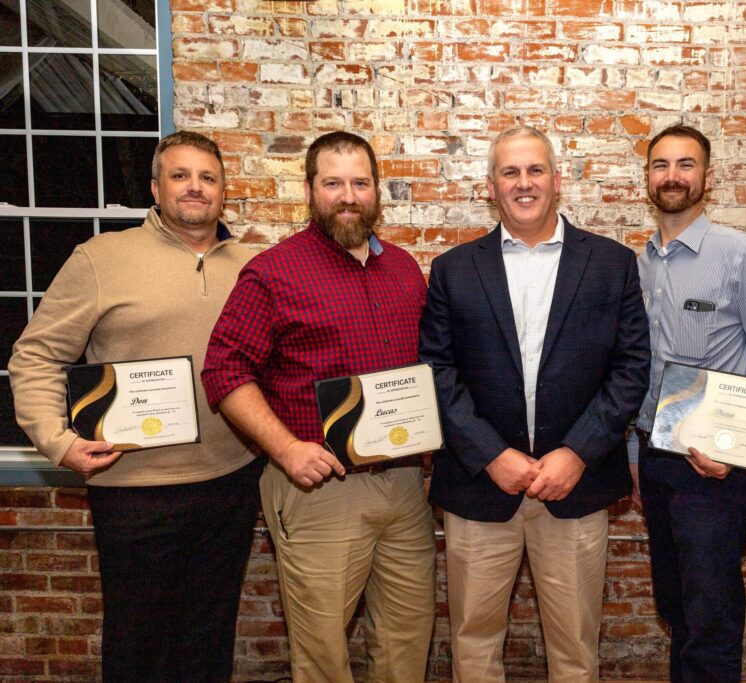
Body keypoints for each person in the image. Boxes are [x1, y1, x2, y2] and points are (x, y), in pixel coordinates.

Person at [8, 131, 261, 682]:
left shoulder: (254, 266)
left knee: (209, 638)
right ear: (154, 187)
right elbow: (36, 355)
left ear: (224, 191)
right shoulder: (102, 258)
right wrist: (58, 440)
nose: (195, 187)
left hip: (230, 482)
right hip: (133, 488)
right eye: (180, 175)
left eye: (208, 177)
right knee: (138, 642)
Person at [201, 131, 435, 683]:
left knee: (406, 642)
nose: (348, 196)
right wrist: (286, 450)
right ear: (309, 191)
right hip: (320, 488)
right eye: (333, 183)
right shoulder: (274, 271)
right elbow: (224, 370)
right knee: (323, 653)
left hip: (404, 485)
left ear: (377, 191)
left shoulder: (403, 268)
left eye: (360, 183)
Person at [419, 125, 650, 682]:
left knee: (575, 648)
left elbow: (631, 368)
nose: (524, 183)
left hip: (575, 487)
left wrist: (578, 452)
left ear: (557, 179)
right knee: (474, 643)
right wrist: (490, 454)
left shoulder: (612, 263)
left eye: (535, 170)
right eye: (510, 172)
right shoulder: (453, 269)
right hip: (480, 486)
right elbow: (436, 370)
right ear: (490, 187)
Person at [631, 124, 746, 682]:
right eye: (661, 165)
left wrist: (737, 450)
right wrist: (635, 458)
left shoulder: (739, 256)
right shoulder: (639, 264)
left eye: (686, 164)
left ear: (708, 178)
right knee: (676, 607)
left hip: (715, 473)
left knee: (711, 621)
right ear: (647, 178)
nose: (673, 176)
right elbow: (638, 371)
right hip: (655, 461)